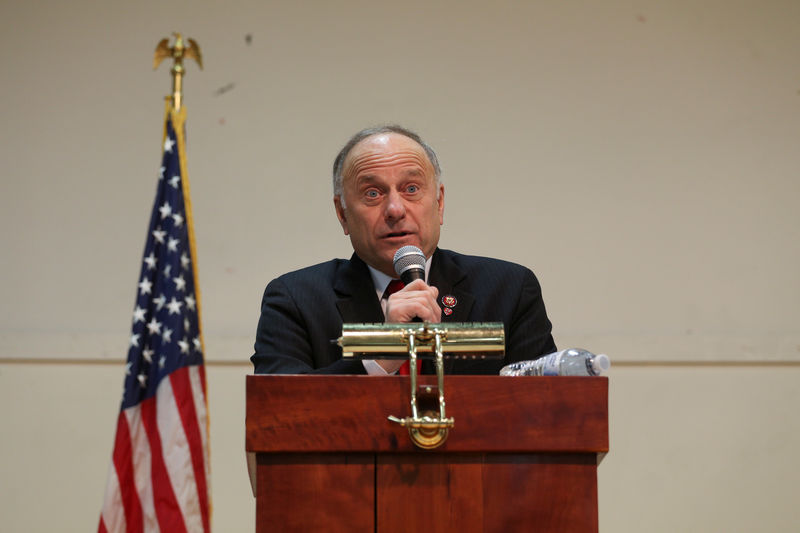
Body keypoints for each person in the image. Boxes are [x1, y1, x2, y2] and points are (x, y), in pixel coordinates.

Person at [251, 125, 556, 375]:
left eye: (411, 189)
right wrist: (381, 357)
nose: (395, 209)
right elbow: (278, 414)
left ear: (439, 203)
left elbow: (548, 414)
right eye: (372, 193)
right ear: (342, 214)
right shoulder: (295, 299)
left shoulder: (510, 289)